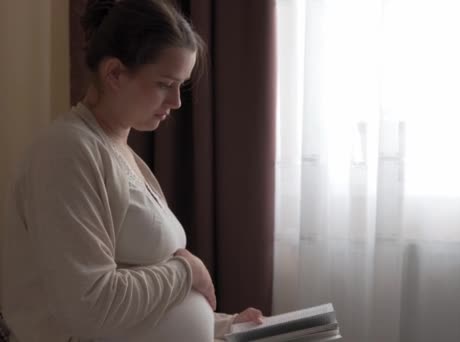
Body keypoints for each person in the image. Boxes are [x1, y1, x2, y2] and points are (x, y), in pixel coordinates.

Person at [1, 0, 263, 341]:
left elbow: (147, 300)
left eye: (180, 86)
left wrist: (225, 326)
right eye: (164, 84)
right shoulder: (66, 153)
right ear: (114, 73)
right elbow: (92, 306)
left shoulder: (121, 154)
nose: (176, 102)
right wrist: (187, 271)